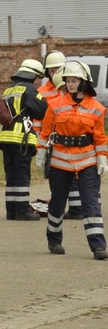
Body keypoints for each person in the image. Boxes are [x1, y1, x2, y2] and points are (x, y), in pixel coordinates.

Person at [36, 61, 108, 260]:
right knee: (57, 203)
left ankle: (98, 246)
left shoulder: (96, 108)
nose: (70, 84)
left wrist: (102, 159)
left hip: (87, 161)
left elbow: (100, 138)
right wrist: (41, 153)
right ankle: (54, 239)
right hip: (60, 161)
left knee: (91, 203)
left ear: (83, 83)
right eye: (68, 80)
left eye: (74, 80)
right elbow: (45, 131)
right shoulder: (55, 105)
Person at [0, 59, 47, 221]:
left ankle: (11, 211)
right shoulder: (31, 89)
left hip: (5, 138)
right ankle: (22, 211)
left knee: (11, 175)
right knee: (22, 175)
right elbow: (41, 111)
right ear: (33, 76)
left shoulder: (8, 90)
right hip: (21, 139)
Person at [37, 50, 82, 220]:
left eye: (58, 68)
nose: (55, 72)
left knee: (74, 173)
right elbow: (39, 119)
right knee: (55, 175)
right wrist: (40, 141)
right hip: (51, 140)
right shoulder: (41, 91)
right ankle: (59, 207)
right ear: (46, 72)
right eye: (51, 70)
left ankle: (77, 208)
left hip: (70, 138)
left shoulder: (73, 89)